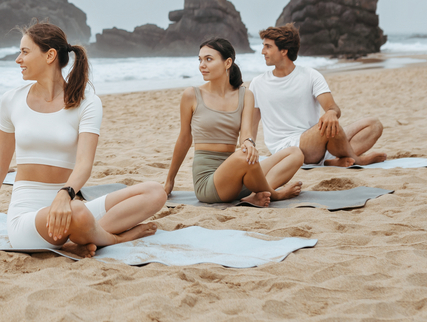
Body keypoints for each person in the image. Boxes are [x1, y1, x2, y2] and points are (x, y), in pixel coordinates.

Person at [0, 22, 166, 256]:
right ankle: (114, 239)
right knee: (80, 213)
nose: (18, 59)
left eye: (25, 52)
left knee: (155, 192)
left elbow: (84, 164)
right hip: (28, 218)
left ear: (50, 56)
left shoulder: (87, 102)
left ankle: (83, 234)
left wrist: (64, 195)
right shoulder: (11, 100)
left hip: (67, 201)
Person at [164, 38, 303, 206]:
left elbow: (246, 134)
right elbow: (184, 139)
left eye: (208, 59)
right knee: (244, 156)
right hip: (209, 183)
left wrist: (249, 143)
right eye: (200, 60)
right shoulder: (191, 95)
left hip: (239, 175)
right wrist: (170, 180)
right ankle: (274, 194)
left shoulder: (245, 95)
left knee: (295, 153)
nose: (202, 65)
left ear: (227, 62)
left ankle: (254, 194)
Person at [250, 24, 386, 167]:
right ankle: (357, 160)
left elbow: (333, 107)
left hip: (317, 142)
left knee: (374, 125)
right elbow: (251, 124)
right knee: (333, 128)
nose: (262, 51)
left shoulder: (310, 75)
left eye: (268, 47)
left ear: (284, 50)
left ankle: (333, 160)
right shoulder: (258, 83)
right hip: (287, 149)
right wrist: (248, 146)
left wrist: (331, 113)